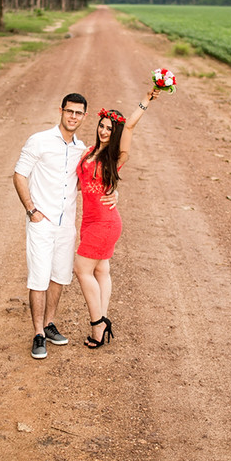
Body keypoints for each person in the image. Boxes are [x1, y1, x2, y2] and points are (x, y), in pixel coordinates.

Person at [73, 87, 158, 348]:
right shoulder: (88, 151)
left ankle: (98, 324)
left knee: (81, 268)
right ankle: (103, 319)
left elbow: (130, 127)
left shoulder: (115, 158)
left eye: (110, 128)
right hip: (88, 221)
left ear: (116, 132)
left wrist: (146, 99)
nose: (104, 131)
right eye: (102, 126)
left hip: (106, 222)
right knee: (101, 269)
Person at [13, 93, 92, 360]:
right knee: (39, 277)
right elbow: (19, 174)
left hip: (66, 224)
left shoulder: (81, 150)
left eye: (78, 113)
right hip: (41, 222)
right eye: (69, 111)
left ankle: (48, 325)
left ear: (84, 116)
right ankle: (37, 333)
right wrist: (31, 210)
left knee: (59, 276)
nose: (73, 117)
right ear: (61, 110)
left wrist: (111, 193)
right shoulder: (40, 141)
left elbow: (84, 184)